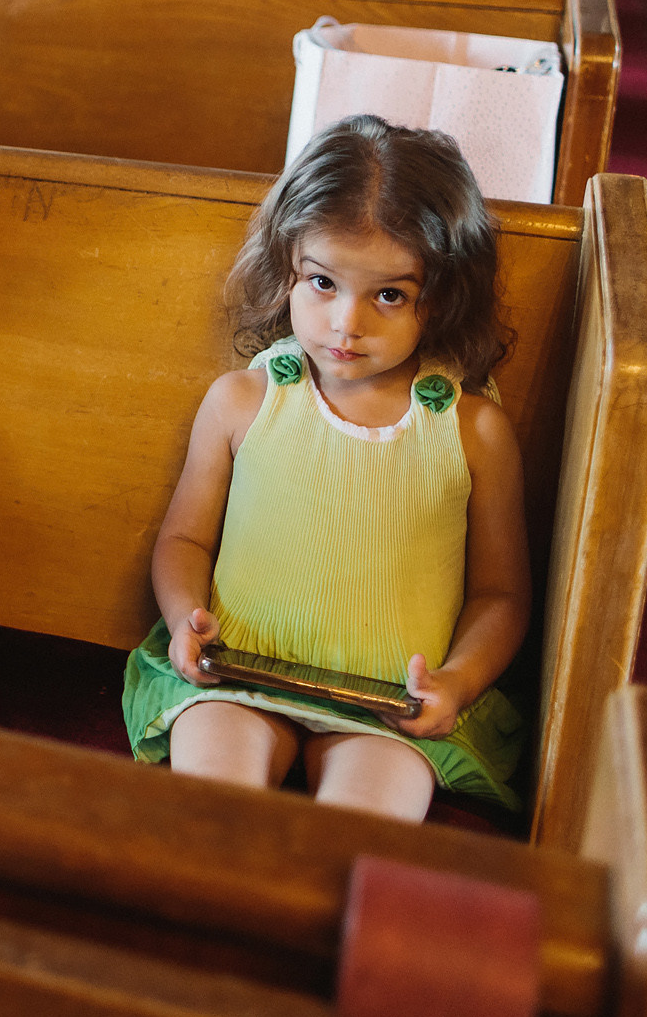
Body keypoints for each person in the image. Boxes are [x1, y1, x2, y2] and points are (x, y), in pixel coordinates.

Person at [122, 115, 530, 820]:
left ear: (443, 295)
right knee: (210, 812)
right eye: (322, 281)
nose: (347, 322)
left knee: (357, 835)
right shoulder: (242, 401)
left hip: (386, 709)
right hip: (238, 676)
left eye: (390, 294)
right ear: (287, 267)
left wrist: (457, 683)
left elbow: (500, 594)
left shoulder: (473, 431)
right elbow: (184, 540)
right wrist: (183, 617)